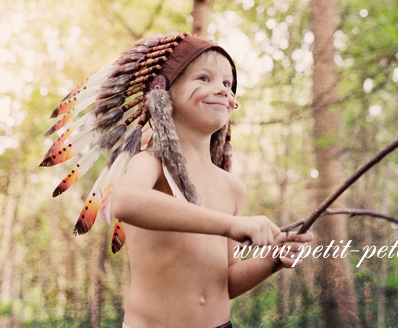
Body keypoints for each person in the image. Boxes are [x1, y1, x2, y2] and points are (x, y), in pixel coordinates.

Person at [43, 33, 313, 328]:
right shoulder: (151, 164)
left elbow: (225, 283)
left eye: (227, 84)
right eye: (203, 78)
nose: (222, 90)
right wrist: (232, 225)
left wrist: (273, 260)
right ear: (165, 92)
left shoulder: (233, 188)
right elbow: (125, 201)